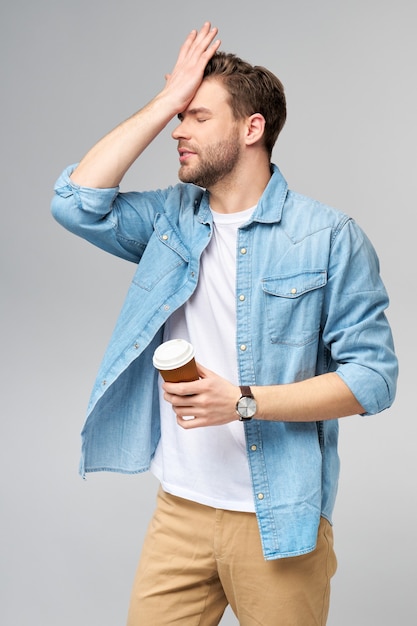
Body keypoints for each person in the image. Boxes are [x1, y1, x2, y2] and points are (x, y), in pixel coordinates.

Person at [51, 22, 398, 626]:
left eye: (197, 117)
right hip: (179, 513)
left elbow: (373, 380)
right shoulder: (170, 220)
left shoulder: (328, 238)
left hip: (278, 519)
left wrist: (242, 401)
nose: (179, 132)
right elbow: (75, 201)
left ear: (252, 128)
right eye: (178, 117)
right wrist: (166, 100)